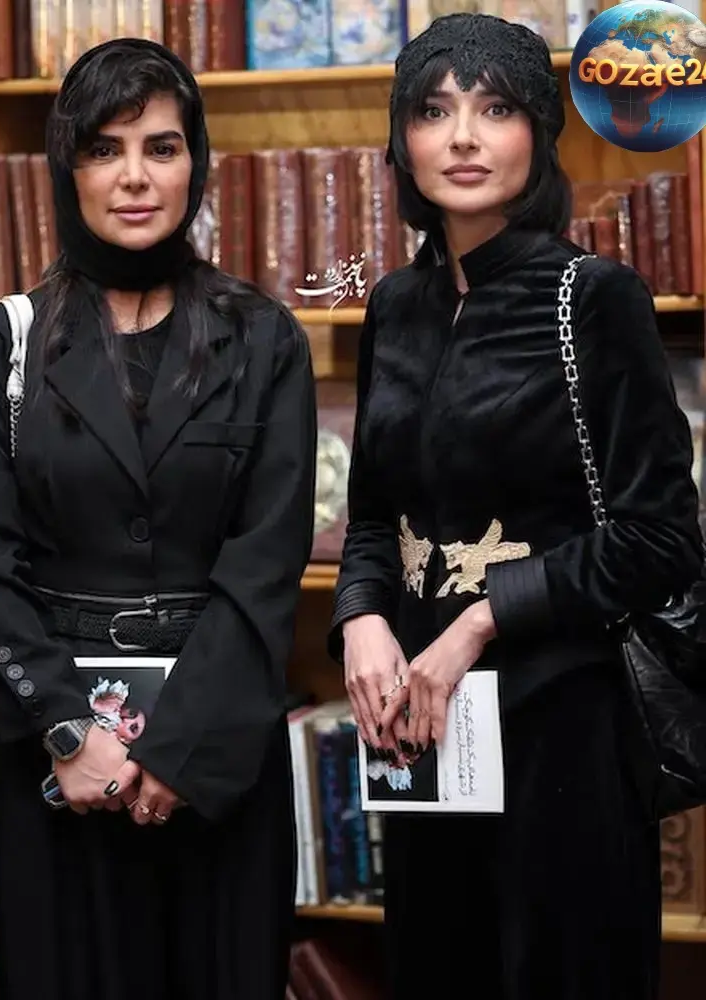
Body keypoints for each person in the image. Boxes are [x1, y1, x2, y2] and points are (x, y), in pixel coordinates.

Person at [0, 37, 316, 1000]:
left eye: (161, 148)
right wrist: (68, 732)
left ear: (195, 165)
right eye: (104, 149)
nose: (135, 177)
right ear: (68, 166)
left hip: (220, 757)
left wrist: (178, 749)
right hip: (57, 766)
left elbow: (266, 561)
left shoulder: (264, 339)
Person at [327, 13, 702, 1000]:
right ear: (401, 142)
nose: (461, 137)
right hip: (420, 725)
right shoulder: (392, 308)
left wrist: (480, 621)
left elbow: (661, 537)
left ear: (537, 131)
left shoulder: (594, 298)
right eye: (432, 111)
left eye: (494, 109)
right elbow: (372, 516)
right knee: (435, 968)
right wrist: (360, 616)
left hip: (561, 721)